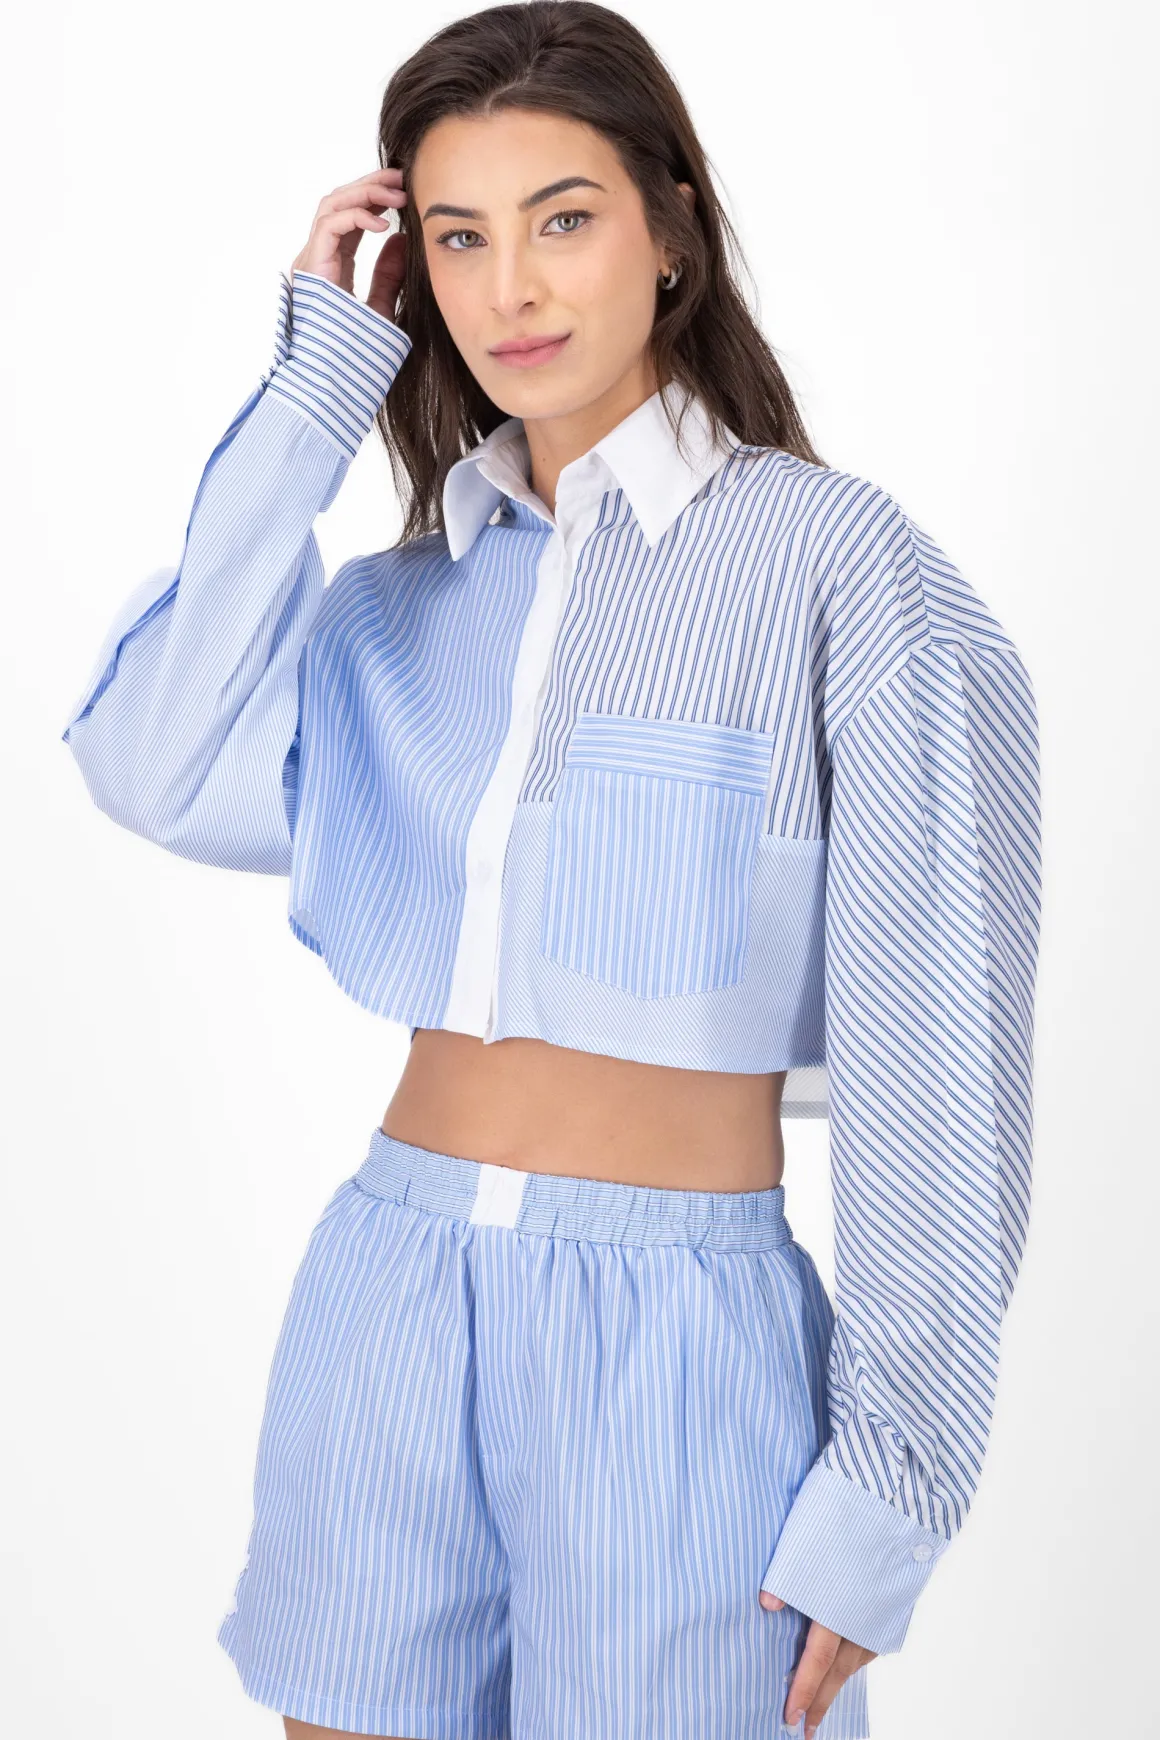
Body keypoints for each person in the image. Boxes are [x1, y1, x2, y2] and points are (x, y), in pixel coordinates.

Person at [58, 4, 1042, 1738]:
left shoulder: (839, 569)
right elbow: (149, 761)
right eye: (458, 237)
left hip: (683, 1339)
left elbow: (937, 1066)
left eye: (561, 219)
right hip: (389, 1292)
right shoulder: (398, 604)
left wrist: (895, 1479)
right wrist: (313, 390)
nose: (509, 287)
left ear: (670, 231)